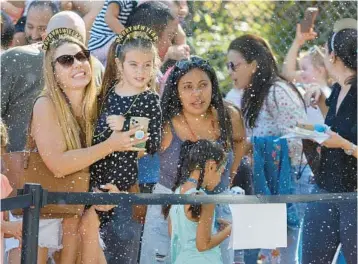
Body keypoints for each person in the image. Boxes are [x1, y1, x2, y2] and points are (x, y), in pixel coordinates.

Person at [140, 56, 245, 264]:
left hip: (217, 209)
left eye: (203, 85)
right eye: (187, 87)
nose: (197, 94)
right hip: (168, 210)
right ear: (176, 91)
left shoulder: (229, 115)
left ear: (212, 86)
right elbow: (136, 153)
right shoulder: (163, 121)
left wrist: (228, 177)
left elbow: (240, 142)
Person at [227, 34, 309, 264]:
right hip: (267, 183)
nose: (230, 72)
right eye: (228, 66)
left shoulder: (277, 92)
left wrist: (257, 147)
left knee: (284, 256)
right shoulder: (251, 95)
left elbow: (302, 139)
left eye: (234, 65)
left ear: (253, 65)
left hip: (288, 183)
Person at [85, 25, 162, 264]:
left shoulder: (150, 99)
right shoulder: (107, 95)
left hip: (125, 188)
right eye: (134, 64)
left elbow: (152, 144)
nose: (141, 71)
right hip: (95, 184)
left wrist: (127, 124)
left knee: (121, 250)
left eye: (147, 65)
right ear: (120, 64)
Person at [1, 10, 103, 153]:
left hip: (73, 164)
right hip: (19, 164)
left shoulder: (95, 68)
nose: (74, 62)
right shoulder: (15, 59)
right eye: (65, 59)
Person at [302, 27, 357, 263]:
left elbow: (344, 138)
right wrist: (322, 102)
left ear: (333, 56)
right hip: (325, 188)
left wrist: (344, 144)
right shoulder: (337, 89)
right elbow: (340, 126)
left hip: (353, 196)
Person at [165, 140, 231, 264]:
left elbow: (174, 231)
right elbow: (203, 245)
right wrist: (229, 230)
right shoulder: (205, 200)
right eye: (221, 172)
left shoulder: (178, 193)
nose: (220, 179)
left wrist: (211, 223)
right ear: (211, 166)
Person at [282, 23, 331, 125]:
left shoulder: (328, 93)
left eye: (304, 69)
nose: (301, 73)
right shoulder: (304, 86)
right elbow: (287, 74)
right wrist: (297, 42)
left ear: (320, 70)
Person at [88, 0, 138, 66]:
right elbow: (109, 18)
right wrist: (129, 37)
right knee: (129, 45)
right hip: (101, 41)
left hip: (102, 45)